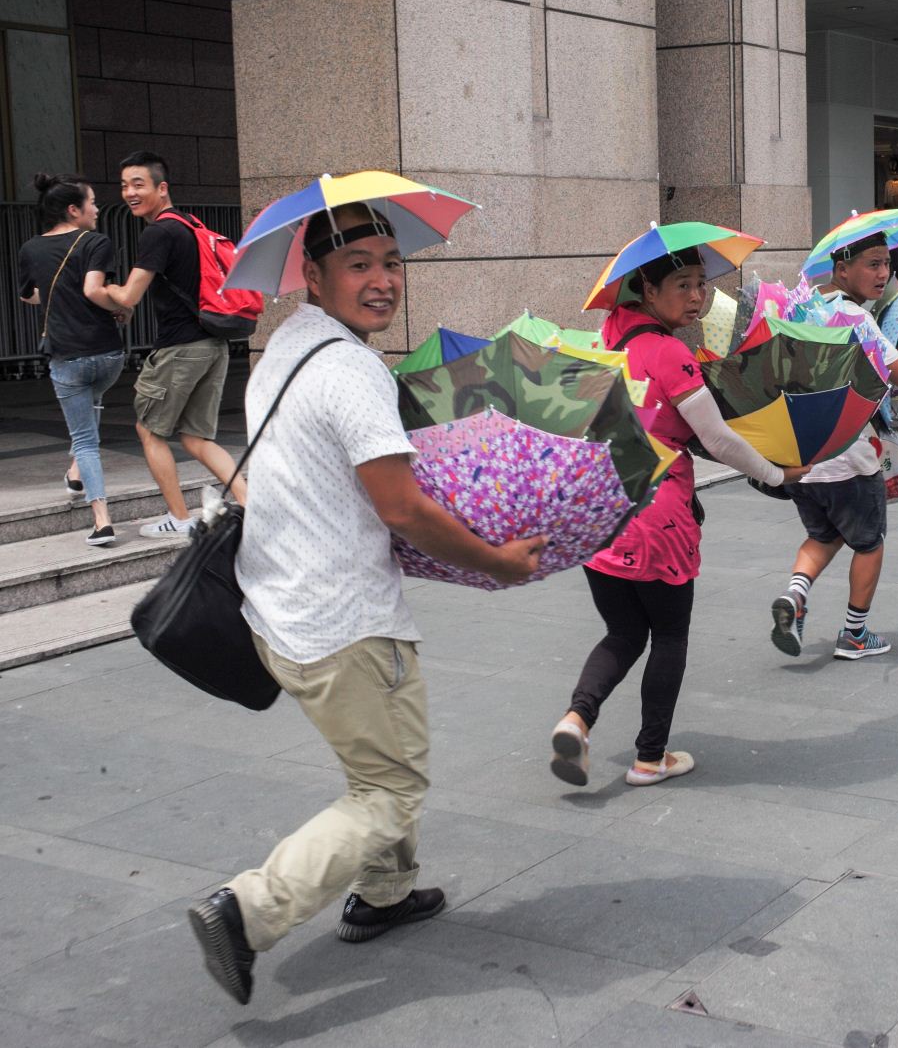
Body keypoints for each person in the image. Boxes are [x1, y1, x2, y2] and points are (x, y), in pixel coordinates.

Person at [185, 203, 547, 1006]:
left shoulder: (287, 345)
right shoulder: (351, 370)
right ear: (313, 277)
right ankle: (247, 909)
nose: (382, 280)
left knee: (378, 757)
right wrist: (497, 563)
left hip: (279, 604)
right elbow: (402, 506)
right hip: (342, 622)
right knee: (390, 790)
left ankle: (386, 893)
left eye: (390, 261)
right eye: (359, 264)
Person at [549, 247, 804, 788]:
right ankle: (650, 758)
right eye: (682, 285)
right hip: (656, 519)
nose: (697, 297)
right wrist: (777, 474)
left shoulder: (603, 343)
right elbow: (717, 439)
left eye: (701, 284)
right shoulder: (669, 354)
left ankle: (576, 719)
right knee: (668, 635)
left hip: (600, 510)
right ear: (648, 290)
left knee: (622, 632)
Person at [769, 232, 898, 659]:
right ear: (842, 269)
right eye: (873, 263)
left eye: (887, 263)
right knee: (869, 541)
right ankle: (854, 634)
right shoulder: (853, 317)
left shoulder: (797, 308)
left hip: (800, 456)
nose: (883, 273)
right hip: (849, 455)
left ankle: (794, 596)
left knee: (823, 534)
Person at [103, 151, 245, 538]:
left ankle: (180, 518)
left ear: (161, 188)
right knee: (197, 438)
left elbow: (129, 295)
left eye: (138, 184)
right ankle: (250, 502)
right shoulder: (188, 225)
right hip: (212, 343)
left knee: (149, 431)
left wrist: (104, 289)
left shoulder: (158, 232)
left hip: (180, 347)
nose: (129, 193)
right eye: (124, 186)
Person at [17, 174, 125, 545]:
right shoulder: (96, 242)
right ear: (73, 210)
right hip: (109, 356)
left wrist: (52, 295)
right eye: (91, 202)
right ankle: (76, 474)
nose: (97, 209)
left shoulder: (30, 249)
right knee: (91, 409)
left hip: (67, 357)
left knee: (84, 439)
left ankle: (102, 522)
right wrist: (123, 305)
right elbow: (97, 290)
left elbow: (29, 296)